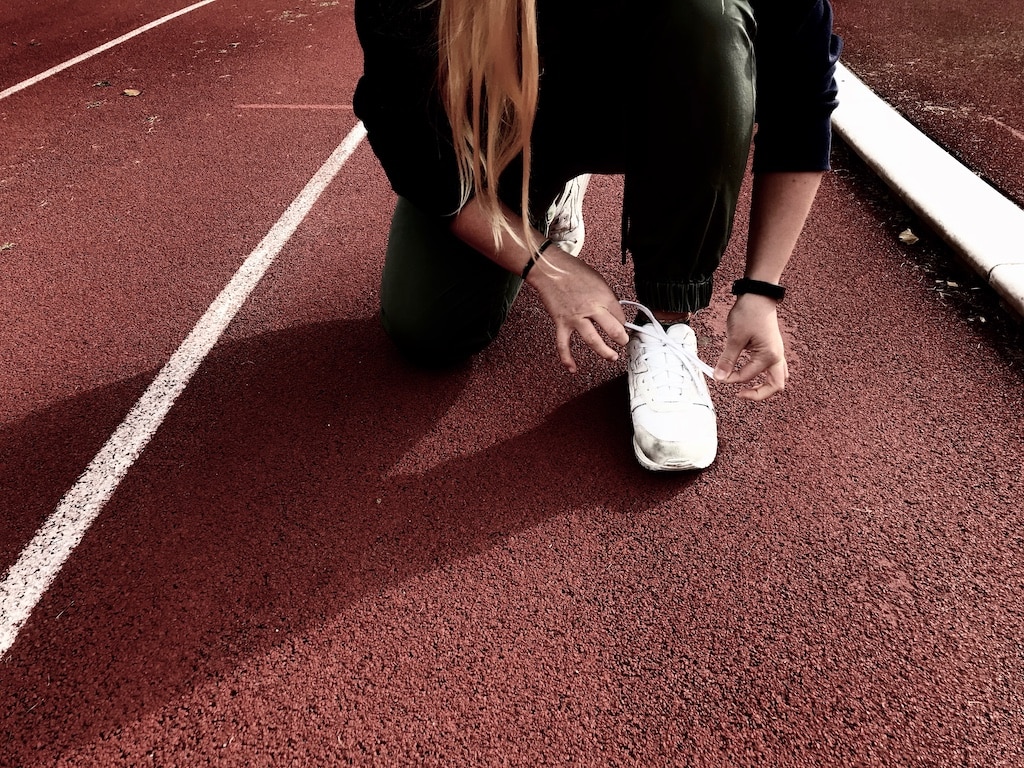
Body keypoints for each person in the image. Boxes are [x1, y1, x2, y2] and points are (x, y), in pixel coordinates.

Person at [352, 0, 842, 470]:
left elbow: (801, 103)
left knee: (709, 16)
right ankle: (539, 194)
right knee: (429, 331)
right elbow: (405, 129)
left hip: (660, 102)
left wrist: (761, 289)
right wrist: (542, 263)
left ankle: (666, 323)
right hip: (510, 112)